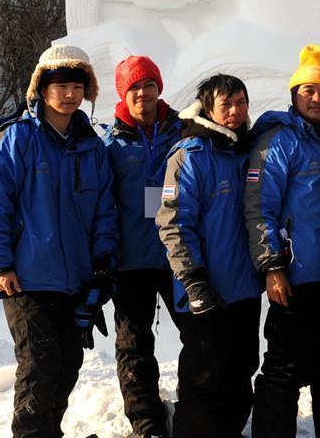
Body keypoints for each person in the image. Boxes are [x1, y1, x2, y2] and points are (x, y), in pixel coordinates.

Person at [0, 44, 118, 438]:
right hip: (27, 277)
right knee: (39, 368)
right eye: (61, 86)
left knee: (68, 365)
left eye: (77, 86)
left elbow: (104, 210)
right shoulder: (18, 138)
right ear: (42, 88)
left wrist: (103, 262)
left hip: (75, 279)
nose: (69, 94)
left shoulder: (92, 145)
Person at [244, 44, 320, 438]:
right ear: (294, 95)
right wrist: (272, 267)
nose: (317, 98)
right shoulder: (278, 142)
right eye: (308, 90)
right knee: (283, 371)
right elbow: (259, 207)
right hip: (294, 279)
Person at [157, 74, 262, 438]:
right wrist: (193, 279)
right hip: (206, 288)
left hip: (246, 288)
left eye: (241, 103)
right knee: (204, 376)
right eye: (226, 104)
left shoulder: (249, 151)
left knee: (241, 369)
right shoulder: (190, 155)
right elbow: (172, 222)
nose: (234, 111)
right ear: (209, 108)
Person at [103, 55, 182, 438]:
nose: (142, 93)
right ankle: (147, 422)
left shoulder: (181, 131)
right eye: (134, 87)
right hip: (132, 258)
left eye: (148, 85)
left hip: (177, 256)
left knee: (200, 334)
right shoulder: (112, 142)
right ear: (123, 93)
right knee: (134, 344)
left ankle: (195, 409)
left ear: (158, 88)